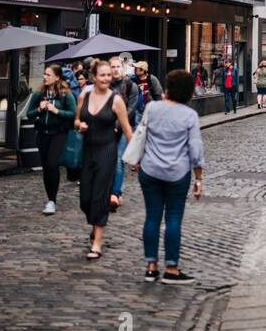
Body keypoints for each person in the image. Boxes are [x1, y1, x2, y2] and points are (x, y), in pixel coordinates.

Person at [137, 68, 204, 284]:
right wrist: (198, 178)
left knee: (152, 217)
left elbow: (142, 135)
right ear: (189, 93)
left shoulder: (152, 108)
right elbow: (195, 149)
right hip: (177, 173)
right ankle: (172, 269)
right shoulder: (189, 115)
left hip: (150, 170)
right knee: (173, 219)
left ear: (167, 87)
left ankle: (150, 267)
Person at [76, 58, 132, 259]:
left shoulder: (116, 100)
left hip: (108, 152)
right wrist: (79, 125)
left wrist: (136, 157)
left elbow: (127, 130)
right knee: (85, 199)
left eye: (109, 75)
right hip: (88, 151)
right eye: (103, 75)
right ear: (94, 77)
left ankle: (97, 244)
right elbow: (76, 119)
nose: (107, 78)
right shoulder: (84, 95)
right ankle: (95, 223)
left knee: (100, 196)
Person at [27, 64, 76, 214]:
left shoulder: (65, 94)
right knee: (47, 168)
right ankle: (50, 199)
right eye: (44, 74)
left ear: (57, 77)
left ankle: (52, 201)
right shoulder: (39, 93)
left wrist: (56, 110)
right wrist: (40, 109)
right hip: (42, 133)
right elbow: (29, 114)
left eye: (48, 75)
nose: (45, 77)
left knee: (52, 164)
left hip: (58, 134)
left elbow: (73, 114)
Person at [110, 55, 141, 211]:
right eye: (113, 67)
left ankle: (114, 194)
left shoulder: (130, 86)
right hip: (106, 128)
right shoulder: (105, 85)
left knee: (118, 160)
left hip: (123, 128)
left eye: (118, 66)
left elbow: (130, 109)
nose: (115, 69)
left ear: (123, 68)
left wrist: (117, 124)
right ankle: (113, 191)